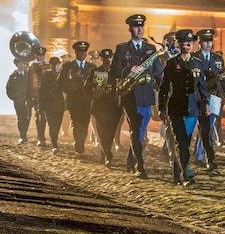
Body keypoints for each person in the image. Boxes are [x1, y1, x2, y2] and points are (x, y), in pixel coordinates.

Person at [111, 14, 163, 178]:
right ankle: (139, 165)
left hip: (146, 96)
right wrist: (128, 70)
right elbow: (113, 71)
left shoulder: (151, 50)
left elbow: (158, 73)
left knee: (139, 131)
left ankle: (130, 160)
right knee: (136, 129)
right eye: (136, 27)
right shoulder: (122, 49)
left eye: (141, 26)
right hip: (129, 96)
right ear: (130, 29)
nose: (140, 30)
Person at [157, 29, 210, 185]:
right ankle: (186, 173)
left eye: (189, 42)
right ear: (178, 44)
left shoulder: (197, 64)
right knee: (181, 141)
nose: (186, 44)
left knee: (185, 141)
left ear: (193, 44)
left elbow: (202, 87)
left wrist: (206, 103)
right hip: (176, 107)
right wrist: (161, 107)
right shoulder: (172, 64)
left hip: (193, 108)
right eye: (183, 42)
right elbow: (164, 87)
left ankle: (177, 172)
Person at [193, 29, 225, 170]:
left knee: (208, 127)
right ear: (200, 42)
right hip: (199, 96)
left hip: (214, 97)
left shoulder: (217, 59)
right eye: (205, 41)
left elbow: (224, 77)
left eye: (210, 41)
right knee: (203, 127)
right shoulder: (194, 58)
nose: (208, 44)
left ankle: (203, 155)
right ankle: (202, 155)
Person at [58, 40, 97, 155]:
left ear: (86, 53)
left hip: (87, 101)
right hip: (74, 101)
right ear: (75, 52)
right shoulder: (68, 66)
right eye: (79, 51)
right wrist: (70, 89)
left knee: (84, 124)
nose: (81, 53)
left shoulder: (92, 67)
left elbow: (98, 84)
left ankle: (81, 141)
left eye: (84, 51)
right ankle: (78, 144)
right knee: (76, 122)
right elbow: (60, 83)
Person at [90, 48, 120, 166]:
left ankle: (105, 151)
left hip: (114, 108)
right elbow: (88, 87)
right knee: (102, 132)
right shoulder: (96, 71)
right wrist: (94, 91)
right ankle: (108, 154)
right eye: (105, 58)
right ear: (101, 59)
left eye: (109, 58)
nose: (107, 60)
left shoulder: (116, 72)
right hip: (100, 107)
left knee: (111, 132)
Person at [38, 56, 65, 152]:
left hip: (59, 104)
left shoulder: (62, 74)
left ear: (59, 64)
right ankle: (54, 144)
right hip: (48, 104)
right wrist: (40, 104)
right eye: (52, 64)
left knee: (57, 125)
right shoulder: (46, 75)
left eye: (56, 64)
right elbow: (42, 90)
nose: (54, 66)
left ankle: (54, 140)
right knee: (51, 124)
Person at [6, 57, 31, 145]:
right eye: (20, 63)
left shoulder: (29, 75)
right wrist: (16, 98)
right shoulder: (13, 76)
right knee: (21, 117)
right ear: (16, 65)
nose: (22, 65)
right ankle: (22, 135)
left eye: (23, 63)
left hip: (28, 100)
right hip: (19, 101)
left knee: (28, 117)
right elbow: (9, 89)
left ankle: (25, 134)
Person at [28, 46, 49, 146]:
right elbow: (28, 82)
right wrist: (29, 97)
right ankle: (41, 137)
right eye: (39, 55)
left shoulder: (48, 65)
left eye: (42, 55)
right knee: (39, 116)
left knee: (45, 116)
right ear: (36, 56)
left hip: (47, 95)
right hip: (37, 95)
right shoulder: (32, 66)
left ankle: (43, 137)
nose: (41, 57)